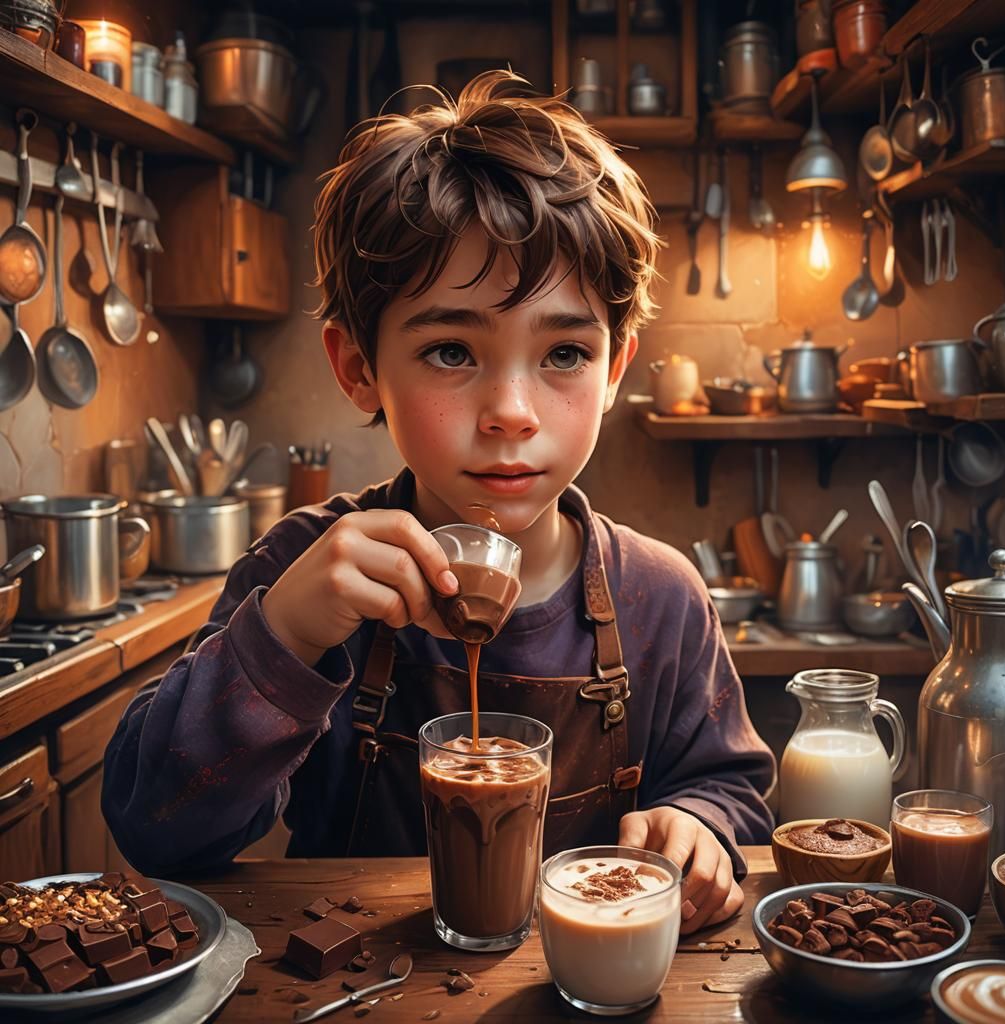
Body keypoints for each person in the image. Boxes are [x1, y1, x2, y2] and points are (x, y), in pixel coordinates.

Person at [103, 70, 775, 934]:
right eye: (452, 351)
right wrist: (286, 637)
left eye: (565, 354)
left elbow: (729, 788)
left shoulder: (664, 600)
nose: (512, 413)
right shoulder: (298, 573)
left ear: (614, 369)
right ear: (359, 369)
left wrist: (701, 823)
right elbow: (156, 830)